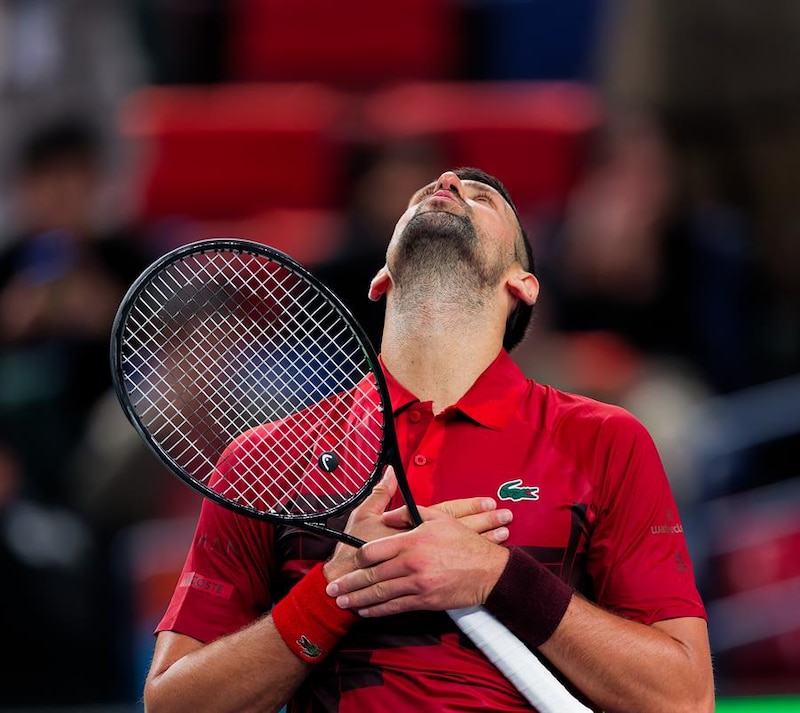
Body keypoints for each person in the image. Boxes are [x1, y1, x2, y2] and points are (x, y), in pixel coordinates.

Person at [143, 168, 714, 712]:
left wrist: (498, 576)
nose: (446, 184)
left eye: (482, 198)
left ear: (523, 284)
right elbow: (173, 703)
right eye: (424, 196)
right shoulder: (264, 457)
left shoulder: (604, 440)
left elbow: (683, 698)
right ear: (383, 277)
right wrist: (332, 591)